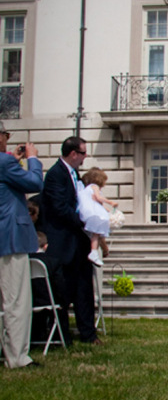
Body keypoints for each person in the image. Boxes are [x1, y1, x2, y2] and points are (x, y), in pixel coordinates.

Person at [41, 136, 99, 345]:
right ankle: (61, 335)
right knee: (63, 291)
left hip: (78, 242)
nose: (85, 157)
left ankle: (88, 333)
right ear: (73, 154)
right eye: (83, 153)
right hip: (63, 241)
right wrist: (84, 220)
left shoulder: (75, 174)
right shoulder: (55, 174)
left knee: (84, 289)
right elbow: (59, 207)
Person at [0, 125, 43, 368]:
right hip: (10, 238)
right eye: (5, 136)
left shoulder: (6, 163)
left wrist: (13, 160)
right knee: (16, 300)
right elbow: (35, 182)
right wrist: (33, 158)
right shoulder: (5, 163)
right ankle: (17, 356)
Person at [77, 168, 115, 267]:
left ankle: (94, 252)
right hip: (93, 214)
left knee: (96, 233)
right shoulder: (94, 187)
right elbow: (99, 198)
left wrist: (110, 211)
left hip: (87, 213)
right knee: (98, 231)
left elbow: (99, 204)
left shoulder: (87, 190)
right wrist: (110, 202)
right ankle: (94, 252)